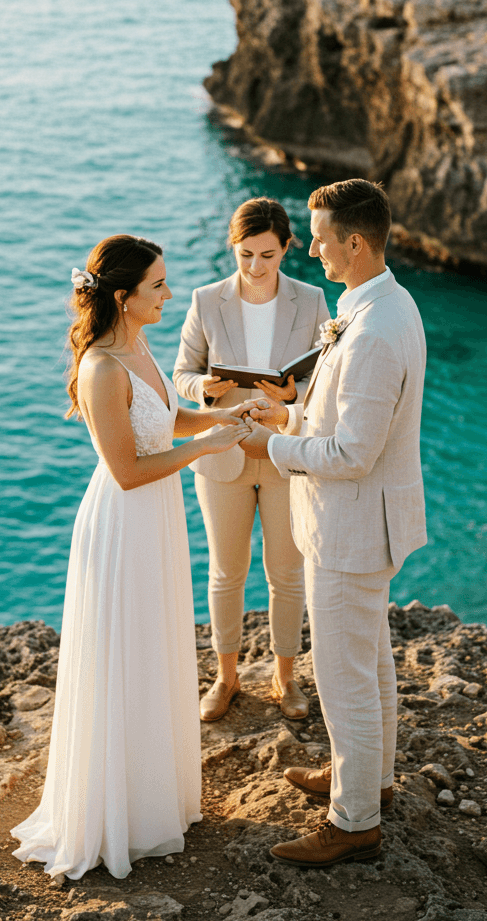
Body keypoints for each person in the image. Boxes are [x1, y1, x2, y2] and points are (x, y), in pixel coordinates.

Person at [11, 235, 252, 881]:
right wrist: (209, 449)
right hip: (124, 522)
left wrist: (227, 414)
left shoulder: (139, 347)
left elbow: (165, 422)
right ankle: (113, 814)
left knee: (155, 649)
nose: (169, 295)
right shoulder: (101, 368)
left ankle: (154, 802)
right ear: (124, 298)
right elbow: (125, 470)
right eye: (158, 287)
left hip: (159, 519)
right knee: (125, 653)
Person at [239, 179, 427, 868]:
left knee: (344, 675)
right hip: (361, 523)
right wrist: (288, 416)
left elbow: (352, 454)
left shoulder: (374, 330)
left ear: (355, 241)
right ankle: (368, 780)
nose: (309, 248)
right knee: (368, 663)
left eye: (319, 237)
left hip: (352, 527)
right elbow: (342, 422)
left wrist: (273, 448)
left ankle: (354, 824)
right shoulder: (383, 303)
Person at [173, 198, 330, 723]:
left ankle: (285, 679)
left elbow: (326, 379)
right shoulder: (206, 299)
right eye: (245, 255)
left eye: (267, 254)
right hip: (223, 454)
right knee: (226, 573)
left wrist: (291, 395)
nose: (256, 266)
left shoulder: (312, 301)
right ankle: (226, 676)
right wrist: (205, 385)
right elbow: (181, 373)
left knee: (287, 573)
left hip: (286, 451)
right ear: (232, 249)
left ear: (288, 246)